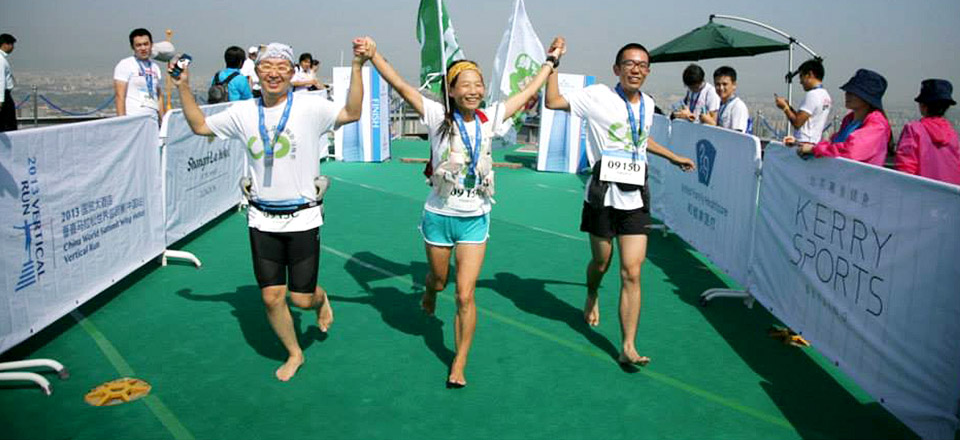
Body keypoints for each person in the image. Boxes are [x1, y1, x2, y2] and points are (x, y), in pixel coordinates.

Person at [354, 34, 565, 389]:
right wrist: (374, 55)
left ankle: (459, 360)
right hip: (439, 214)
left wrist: (551, 62)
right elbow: (402, 86)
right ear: (451, 91)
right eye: (465, 85)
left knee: (465, 295)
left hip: (475, 218)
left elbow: (528, 93)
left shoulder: (491, 116)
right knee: (439, 280)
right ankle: (429, 291)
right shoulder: (437, 114)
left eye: (478, 84)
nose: (473, 90)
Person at [170, 42, 365, 382]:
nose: (274, 73)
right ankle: (295, 352)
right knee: (272, 297)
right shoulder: (244, 112)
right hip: (262, 218)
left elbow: (352, 113)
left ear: (292, 73)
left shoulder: (310, 107)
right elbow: (201, 126)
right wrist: (182, 86)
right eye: (266, 67)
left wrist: (358, 67)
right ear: (256, 72)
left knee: (301, 300)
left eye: (281, 67)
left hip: (303, 217)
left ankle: (321, 301)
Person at [544, 43, 695, 368]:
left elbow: (640, 140)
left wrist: (672, 156)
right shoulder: (598, 96)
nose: (636, 69)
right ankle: (592, 293)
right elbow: (553, 101)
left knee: (632, 271)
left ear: (648, 71)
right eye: (629, 63)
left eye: (642, 64)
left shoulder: (649, 104)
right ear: (617, 69)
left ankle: (628, 345)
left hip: (636, 196)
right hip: (602, 195)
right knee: (602, 262)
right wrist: (553, 64)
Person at [797, 69, 890, 165]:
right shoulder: (849, 120)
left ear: (866, 98)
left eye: (853, 93)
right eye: (847, 91)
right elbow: (834, 146)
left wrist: (814, 149)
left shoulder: (877, 125)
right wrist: (801, 145)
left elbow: (851, 152)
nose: (847, 95)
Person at [894, 79, 960, 185]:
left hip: (922, 195)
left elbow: (905, 169)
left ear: (923, 106)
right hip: (950, 196)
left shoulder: (913, 130)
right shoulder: (952, 134)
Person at [113, 28, 164, 123]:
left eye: (146, 44)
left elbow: (159, 96)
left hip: (152, 119)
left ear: (151, 45)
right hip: (133, 119)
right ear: (133, 47)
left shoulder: (155, 67)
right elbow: (120, 96)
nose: (143, 48)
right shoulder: (125, 64)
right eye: (138, 45)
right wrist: (122, 123)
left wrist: (163, 121)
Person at [777, 59, 831, 145]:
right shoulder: (825, 95)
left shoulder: (812, 95)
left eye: (801, 76)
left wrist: (785, 108)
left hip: (804, 144)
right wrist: (789, 107)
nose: (800, 82)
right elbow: (804, 118)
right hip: (814, 142)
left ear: (810, 74)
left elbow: (797, 123)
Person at [700, 66, 748, 133]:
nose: (721, 88)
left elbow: (737, 136)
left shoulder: (737, 106)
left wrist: (712, 124)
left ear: (734, 85)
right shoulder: (721, 104)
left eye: (725, 84)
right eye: (717, 84)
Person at [0, 33, 18, 132]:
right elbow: (0, 80)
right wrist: (1, 100)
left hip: (4, 95)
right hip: (4, 96)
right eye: (11, 44)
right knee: (8, 122)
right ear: (5, 44)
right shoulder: (0, 60)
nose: (12, 48)